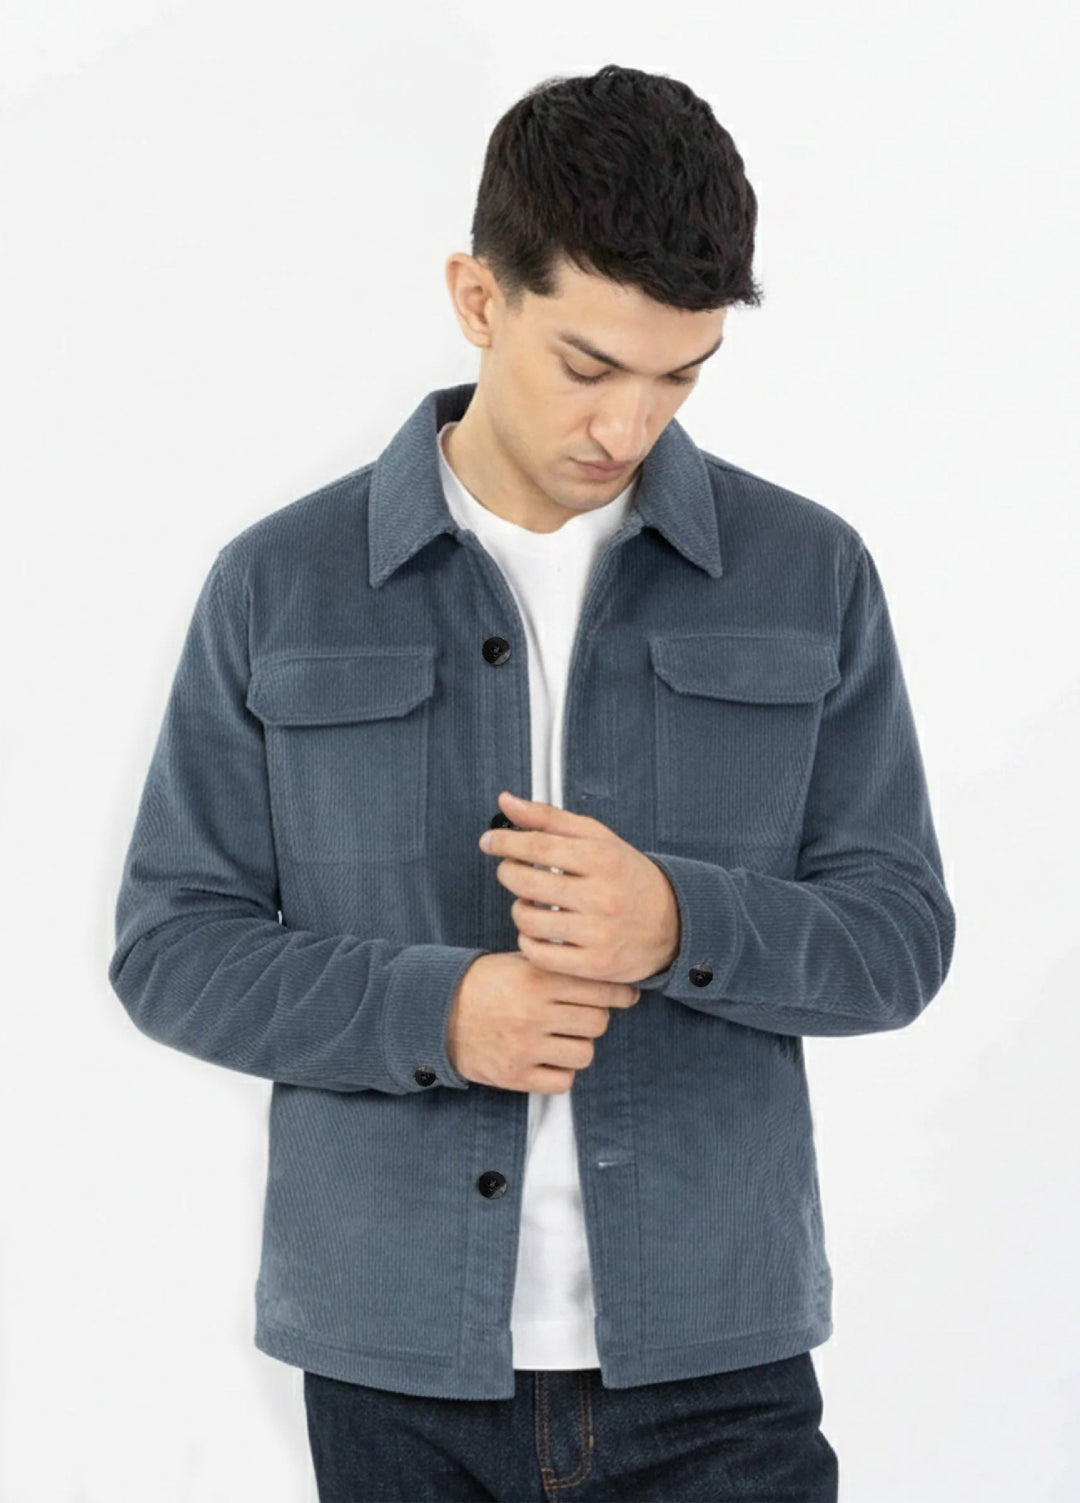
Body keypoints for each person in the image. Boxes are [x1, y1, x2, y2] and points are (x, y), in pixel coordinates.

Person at [108, 62, 955, 1502]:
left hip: (718, 1365)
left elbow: (899, 937)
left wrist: (678, 924)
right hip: (394, 1373)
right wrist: (440, 1012)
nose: (627, 428)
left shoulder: (809, 571)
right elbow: (173, 947)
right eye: (588, 367)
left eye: (679, 377)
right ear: (479, 298)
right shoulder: (280, 584)